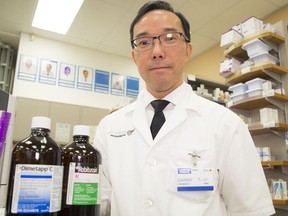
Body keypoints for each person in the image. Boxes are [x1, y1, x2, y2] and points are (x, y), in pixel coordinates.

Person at [94, 1, 275, 215]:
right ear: (134, 56)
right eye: (144, 42)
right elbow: (99, 205)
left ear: (187, 50)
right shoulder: (109, 128)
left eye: (170, 38)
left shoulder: (226, 124)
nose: (157, 51)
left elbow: (251, 210)